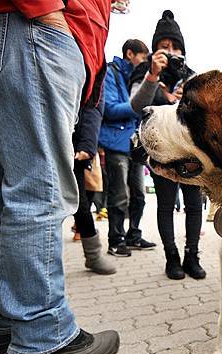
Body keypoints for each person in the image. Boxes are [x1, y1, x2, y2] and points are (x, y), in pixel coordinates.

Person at [0, 0, 119, 354]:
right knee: (39, 190)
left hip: (0, 30)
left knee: (1, 193)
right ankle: (44, 337)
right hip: (29, 28)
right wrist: (47, 12)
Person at [129, 10, 205, 280]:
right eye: (164, 47)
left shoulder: (192, 77)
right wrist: (153, 76)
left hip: (189, 150)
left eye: (175, 47)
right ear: (154, 50)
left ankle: (192, 255)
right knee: (165, 203)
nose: (171, 52)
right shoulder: (144, 73)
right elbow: (136, 106)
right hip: (160, 149)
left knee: (194, 204)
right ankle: (171, 257)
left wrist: (188, 101)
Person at [99, 39, 158, 257]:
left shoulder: (138, 77)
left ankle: (134, 235)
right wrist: (137, 107)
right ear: (130, 54)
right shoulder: (111, 73)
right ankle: (116, 240)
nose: (145, 61)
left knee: (139, 195)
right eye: (143, 57)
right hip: (115, 142)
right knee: (119, 194)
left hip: (135, 143)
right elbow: (110, 109)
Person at [73, 92, 116, 275]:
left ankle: (93, 255)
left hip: (73, 145)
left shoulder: (93, 64)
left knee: (81, 202)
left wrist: (88, 144)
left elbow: (94, 104)